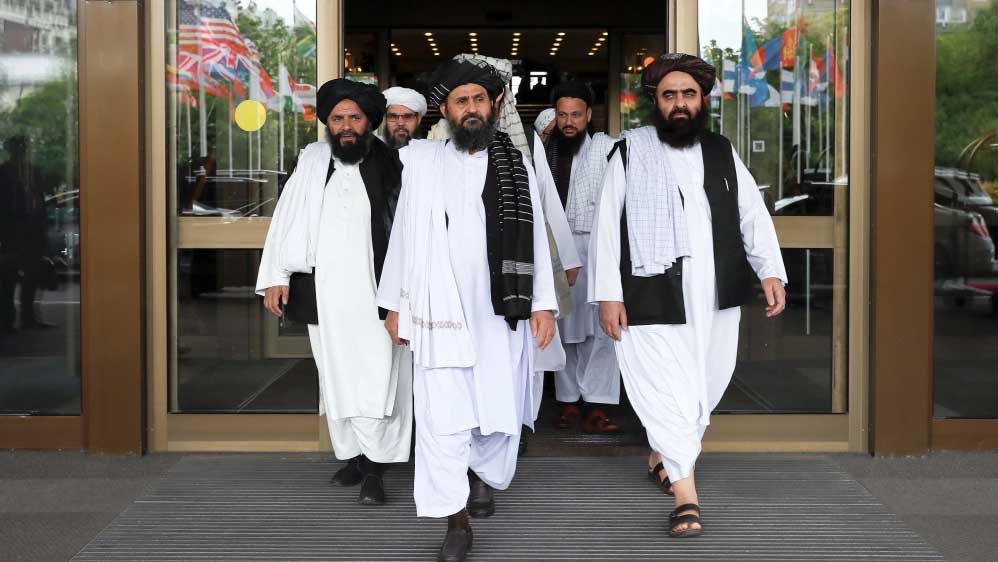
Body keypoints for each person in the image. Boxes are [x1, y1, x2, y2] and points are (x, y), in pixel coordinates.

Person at [589, 53, 788, 538]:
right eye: (669, 95)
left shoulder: (721, 151)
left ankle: (663, 454)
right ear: (654, 102)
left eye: (688, 94)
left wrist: (770, 270)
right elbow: (606, 228)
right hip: (650, 290)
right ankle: (686, 496)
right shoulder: (630, 152)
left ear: (703, 100)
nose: (679, 103)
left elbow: (752, 215)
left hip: (714, 292)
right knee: (664, 386)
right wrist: (608, 295)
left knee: (704, 386)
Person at [376, 54, 557, 562]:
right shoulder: (422, 161)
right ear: (446, 111)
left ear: (493, 105)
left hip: (500, 311)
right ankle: (455, 521)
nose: (472, 108)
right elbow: (403, 236)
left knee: (496, 408)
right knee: (442, 416)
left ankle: (480, 476)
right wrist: (394, 305)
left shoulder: (516, 164)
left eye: (480, 99)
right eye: (462, 101)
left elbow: (535, 240)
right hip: (438, 310)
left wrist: (543, 304)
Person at [256, 78, 411, 506]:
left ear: (369, 121)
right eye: (338, 118)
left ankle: (377, 467)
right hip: (324, 292)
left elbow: (409, 231)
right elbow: (286, 218)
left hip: (377, 294)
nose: (345, 126)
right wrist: (277, 276)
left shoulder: (393, 163)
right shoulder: (313, 161)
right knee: (336, 375)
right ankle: (356, 456)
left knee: (378, 380)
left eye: (354, 118)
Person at [545, 81, 621, 434]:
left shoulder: (607, 148)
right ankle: (568, 401)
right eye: (562, 115)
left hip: (598, 248)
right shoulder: (546, 152)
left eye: (576, 115)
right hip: (558, 248)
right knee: (564, 327)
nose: (569, 122)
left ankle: (597, 403)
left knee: (600, 329)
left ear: (589, 115)